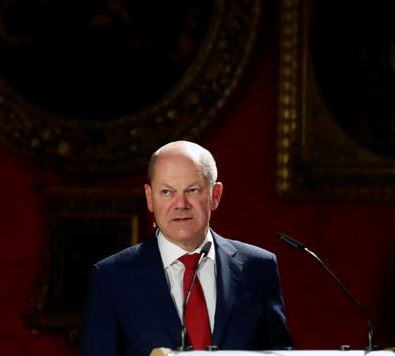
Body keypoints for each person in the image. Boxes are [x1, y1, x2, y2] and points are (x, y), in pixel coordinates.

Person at [81, 140, 293, 356]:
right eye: (166, 192)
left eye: (192, 190)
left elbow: (281, 352)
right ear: (149, 198)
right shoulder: (112, 277)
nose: (180, 204)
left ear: (215, 195)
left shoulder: (258, 268)